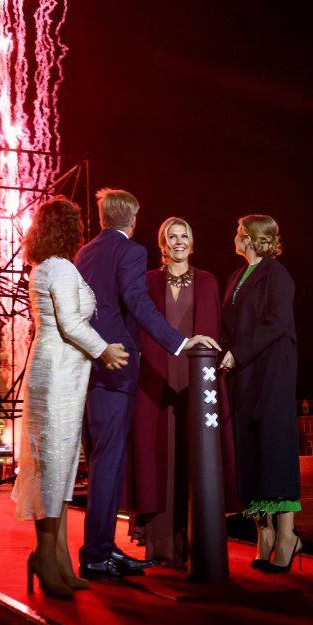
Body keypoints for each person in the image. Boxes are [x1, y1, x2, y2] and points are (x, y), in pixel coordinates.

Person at [74, 189, 220, 581]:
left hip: (87, 371)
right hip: (118, 368)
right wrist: (180, 341)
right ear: (133, 219)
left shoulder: (83, 254)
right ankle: (96, 555)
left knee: (102, 462)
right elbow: (138, 304)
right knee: (108, 465)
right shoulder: (132, 252)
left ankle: (101, 549)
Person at [12, 195, 131, 599]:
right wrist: (106, 350)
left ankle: (56, 557)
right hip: (58, 373)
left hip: (59, 372)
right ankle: (46, 558)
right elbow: (71, 324)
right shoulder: (60, 268)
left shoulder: (46, 266)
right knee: (53, 467)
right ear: (68, 228)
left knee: (58, 468)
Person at [127, 216, 238, 568]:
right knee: (157, 457)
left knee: (195, 457)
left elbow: (209, 332)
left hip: (194, 380)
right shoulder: (146, 281)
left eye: (184, 236)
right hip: (155, 381)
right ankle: (159, 547)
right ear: (162, 244)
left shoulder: (207, 281)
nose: (178, 242)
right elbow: (136, 328)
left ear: (192, 243)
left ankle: (197, 546)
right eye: (171, 237)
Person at [218, 214, 302, 573]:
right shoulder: (235, 277)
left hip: (270, 371)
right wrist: (220, 351)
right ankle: (263, 535)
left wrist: (238, 352)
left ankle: (287, 537)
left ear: (252, 238)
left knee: (274, 449)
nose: (235, 236)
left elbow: (277, 321)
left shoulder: (276, 274)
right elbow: (226, 327)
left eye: (240, 232)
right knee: (249, 450)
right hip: (243, 373)